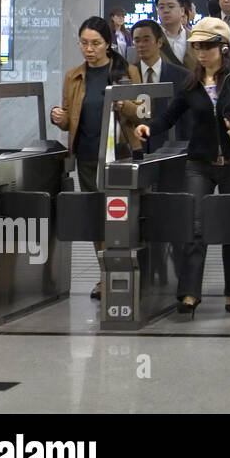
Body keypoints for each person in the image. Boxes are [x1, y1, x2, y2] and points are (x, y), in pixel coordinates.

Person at [137, 18, 230, 316]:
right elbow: (169, 117)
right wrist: (148, 128)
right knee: (195, 226)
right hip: (199, 163)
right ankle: (189, 293)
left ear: (223, 48)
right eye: (197, 47)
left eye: (208, 47)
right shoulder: (191, 82)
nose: (202, 53)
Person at [51, 17, 141, 300]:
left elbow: (141, 111)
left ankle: (126, 271)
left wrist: (123, 104)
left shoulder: (126, 70)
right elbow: (70, 119)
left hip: (121, 156)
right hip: (88, 156)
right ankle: (106, 274)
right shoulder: (74, 76)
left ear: (107, 44)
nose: (89, 50)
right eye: (84, 43)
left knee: (120, 215)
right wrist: (60, 118)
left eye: (96, 44)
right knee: (96, 217)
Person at [130, 18, 192, 147]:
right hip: (137, 146)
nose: (141, 45)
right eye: (137, 40)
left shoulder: (182, 76)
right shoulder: (127, 75)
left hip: (171, 146)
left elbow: (186, 119)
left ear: (159, 42)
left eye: (146, 39)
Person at [155, 0, 197, 70]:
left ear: (182, 11)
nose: (166, 11)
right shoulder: (152, 39)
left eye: (171, 6)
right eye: (161, 7)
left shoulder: (195, 38)